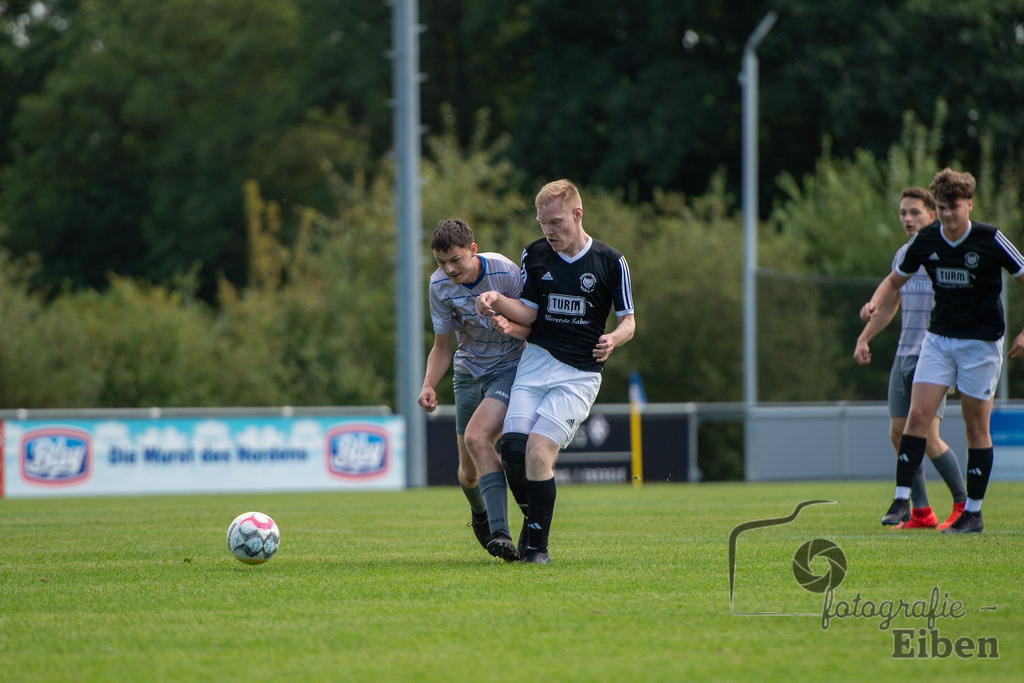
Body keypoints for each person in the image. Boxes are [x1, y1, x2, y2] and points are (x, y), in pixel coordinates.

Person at [476, 179, 635, 563]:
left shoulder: (611, 261)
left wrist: (613, 339)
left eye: (555, 221)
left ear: (577, 215)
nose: (548, 231)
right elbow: (530, 311)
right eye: (542, 223)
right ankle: (535, 526)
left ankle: (537, 550)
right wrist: (498, 300)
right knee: (512, 451)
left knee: (538, 451)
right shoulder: (535, 255)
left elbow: (629, 320)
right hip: (535, 362)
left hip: (578, 374)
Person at [861, 168, 1024, 533]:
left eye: (953, 207)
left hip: (980, 345)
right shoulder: (926, 240)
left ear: (969, 204)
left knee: (975, 428)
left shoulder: (990, 239)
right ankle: (903, 499)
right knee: (916, 418)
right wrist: (874, 303)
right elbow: (893, 281)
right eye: (943, 207)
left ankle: (973, 513)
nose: (948, 214)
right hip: (938, 340)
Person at [854, 187, 967, 530]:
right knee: (896, 433)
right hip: (904, 354)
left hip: (933, 357)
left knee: (927, 437)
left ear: (932, 215)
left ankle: (965, 505)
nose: (907, 218)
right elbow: (890, 306)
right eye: (903, 212)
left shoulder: (944, 253)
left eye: (914, 212)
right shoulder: (903, 254)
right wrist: (864, 336)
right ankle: (921, 511)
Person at [418, 218, 529, 562]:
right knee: (467, 473)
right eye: (441, 262)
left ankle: (501, 532)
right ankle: (480, 514)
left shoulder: (506, 272)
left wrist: (510, 325)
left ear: (473, 250)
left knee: (478, 437)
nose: (448, 269)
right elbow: (442, 347)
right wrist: (428, 384)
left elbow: (532, 321)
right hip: (467, 373)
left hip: (509, 369)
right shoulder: (438, 286)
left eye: (455, 260)